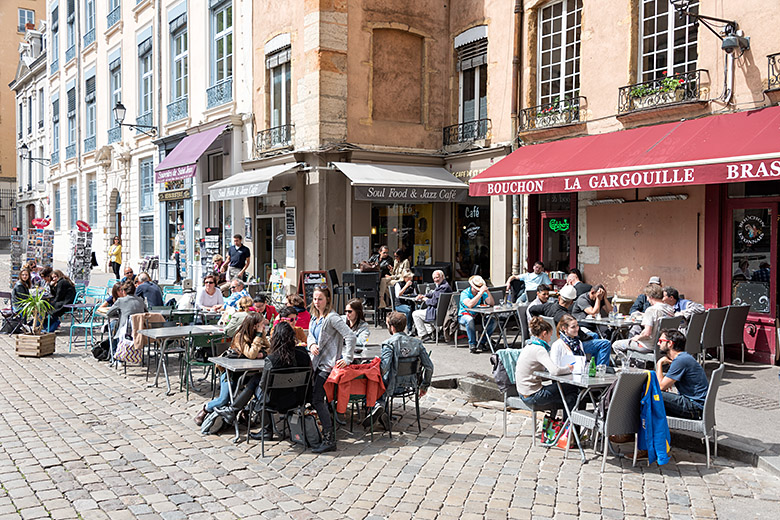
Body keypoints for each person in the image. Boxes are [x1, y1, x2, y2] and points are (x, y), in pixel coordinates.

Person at [196, 313, 269, 426]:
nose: (264, 326)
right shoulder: (240, 336)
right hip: (230, 372)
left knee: (258, 390)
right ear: (255, 326)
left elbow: (269, 348)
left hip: (248, 373)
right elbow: (251, 354)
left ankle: (245, 412)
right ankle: (205, 409)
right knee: (224, 400)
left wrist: (263, 352)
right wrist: (259, 337)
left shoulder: (260, 334)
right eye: (261, 324)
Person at [363, 311, 434, 429]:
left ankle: (378, 405)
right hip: (410, 385)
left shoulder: (389, 343)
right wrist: (424, 385)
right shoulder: (417, 343)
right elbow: (429, 366)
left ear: (392, 327)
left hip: (391, 386)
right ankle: (382, 413)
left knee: (373, 379)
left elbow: (384, 368)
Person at [308, 285, 357, 453]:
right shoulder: (314, 316)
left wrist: (347, 358)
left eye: (320, 299)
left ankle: (330, 438)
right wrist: (312, 344)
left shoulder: (332, 318)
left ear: (327, 299)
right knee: (313, 397)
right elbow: (309, 335)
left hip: (327, 365)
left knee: (316, 398)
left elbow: (350, 336)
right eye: (314, 299)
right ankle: (319, 430)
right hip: (314, 362)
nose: (317, 302)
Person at [245, 321, 312, 440]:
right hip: (298, 399)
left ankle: (266, 429)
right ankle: (234, 410)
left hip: (275, 402)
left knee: (256, 384)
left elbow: (264, 385)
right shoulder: (304, 354)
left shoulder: (272, 359)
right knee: (256, 381)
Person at [529, 285, 613, 366]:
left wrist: (539, 321)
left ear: (559, 298)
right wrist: (588, 337)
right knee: (605, 343)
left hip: (553, 339)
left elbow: (531, 309)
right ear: (572, 302)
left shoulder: (548, 306)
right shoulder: (566, 318)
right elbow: (580, 335)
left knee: (594, 335)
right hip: (569, 344)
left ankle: (593, 364)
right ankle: (601, 369)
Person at [515, 317, 578, 419]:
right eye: (550, 335)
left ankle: (567, 429)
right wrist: (569, 368)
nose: (550, 339)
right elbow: (555, 371)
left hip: (524, 393)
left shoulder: (529, 345)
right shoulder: (539, 349)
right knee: (574, 388)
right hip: (534, 394)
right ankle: (570, 429)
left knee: (570, 398)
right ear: (544, 334)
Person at [655, 329, 709, 419]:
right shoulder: (684, 357)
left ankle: (645, 428)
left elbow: (660, 386)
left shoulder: (680, 360)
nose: (658, 343)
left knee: (652, 394)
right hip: (696, 405)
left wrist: (659, 363)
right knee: (653, 398)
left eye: (661, 341)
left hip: (694, 407)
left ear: (670, 344)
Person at [613, 284, 675, 358]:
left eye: (647, 297)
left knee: (616, 345)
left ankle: (628, 365)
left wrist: (638, 337)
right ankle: (637, 363)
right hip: (664, 344)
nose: (647, 300)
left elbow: (647, 333)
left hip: (648, 346)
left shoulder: (651, 310)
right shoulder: (670, 309)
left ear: (650, 297)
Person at [458, 275, 496, 354]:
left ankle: (482, 342)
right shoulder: (465, 293)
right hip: (464, 315)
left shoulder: (481, 292)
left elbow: (491, 303)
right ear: (472, 286)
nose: (477, 290)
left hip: (478, 315)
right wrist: (480, 294)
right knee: (469, 320)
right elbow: (469, 304)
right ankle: (472, 344)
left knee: (493, 321)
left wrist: (487, 292)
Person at [412, 269, 452, 342]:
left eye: (437, 277)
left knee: (415, 314)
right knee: (423, 313)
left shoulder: (443, 287)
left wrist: (425, 299)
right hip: (442, 312)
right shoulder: (444, 285)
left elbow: (434, 302)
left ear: (442, 276)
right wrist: (423, 295)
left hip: (438, 314)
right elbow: (434, 294)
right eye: (434, 278)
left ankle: (424, 335)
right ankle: (432, 332)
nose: (435, 280)